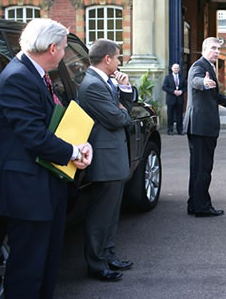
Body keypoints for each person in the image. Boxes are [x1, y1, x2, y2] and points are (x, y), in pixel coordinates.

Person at [0, 18, 92, 298]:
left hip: (44, 185)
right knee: (27, 271)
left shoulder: (34, 74)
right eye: (64, 47)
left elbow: (52, 122)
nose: (64, 54)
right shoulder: (18, 77)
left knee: (46, 264)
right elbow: (32, 135)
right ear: (52, 48)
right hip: (27, 191)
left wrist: (80, 144)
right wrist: (72, 152)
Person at [78, 39, 134, 282]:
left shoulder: (105, 82)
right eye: (118, 57)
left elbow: (122, 112)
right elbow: (117, 119)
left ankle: (108, 254)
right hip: (104, 158)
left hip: (113, 157)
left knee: (111, 213)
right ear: (108, 59)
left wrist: (125, 92)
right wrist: (122, 110)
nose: (120, 62)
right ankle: (96, 263)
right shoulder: (92, 85)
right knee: (100, 215)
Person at [185, 37, 226, 217]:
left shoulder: (209, 67)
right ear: (204, 49)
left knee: (198, 167)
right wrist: (203, 83)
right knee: (203, 169)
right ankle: (202, 207)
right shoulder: (199, 66)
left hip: (199, 126)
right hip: (201, 126)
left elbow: (215, 95)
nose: (217, 51)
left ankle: (194, 204)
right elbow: (196, 80)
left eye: (219, 48)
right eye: (213, 48)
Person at [162, 63, 186, 135]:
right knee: (170, 115)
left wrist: (181, 91)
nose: (176, 69)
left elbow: (186, 87)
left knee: (179, 116)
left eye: (177, 68)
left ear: (179, 69)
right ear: (172, 69)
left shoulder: (182, 77)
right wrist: (173, 91)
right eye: (175, 68)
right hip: (171, 99)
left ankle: (180, 130)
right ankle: (170, 130)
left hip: (180, 99)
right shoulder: (167, 77)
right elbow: (164, 87)